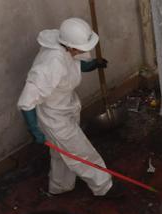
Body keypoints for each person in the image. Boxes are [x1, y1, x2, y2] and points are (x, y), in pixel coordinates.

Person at [17, 17, 113, 197]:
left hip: (67, 107)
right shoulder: (50, 64)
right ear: (71, 46)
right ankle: (105, 187)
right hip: (54, 119)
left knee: (62, 153)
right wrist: (34, 130)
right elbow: (26, 101)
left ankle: (60, 186)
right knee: (81, 153)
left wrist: (92, 64)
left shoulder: (66, 46)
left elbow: (73, 65)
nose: (82, 52)